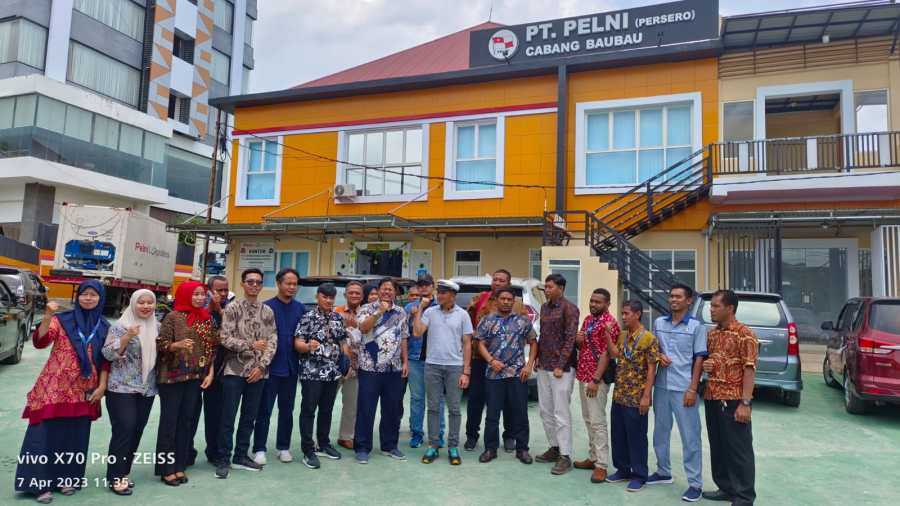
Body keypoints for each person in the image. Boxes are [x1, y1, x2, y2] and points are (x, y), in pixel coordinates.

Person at [15, 281, 110, 504]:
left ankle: (66, 478)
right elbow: (41, 341)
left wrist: (102, 387)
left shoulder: (104, 326)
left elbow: (106, 360)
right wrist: (48, 315)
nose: (88, 298)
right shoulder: (62, 320)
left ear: (100, 298)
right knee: (42, 434)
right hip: (54, 387)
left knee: (74, 436)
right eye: (84, 294)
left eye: (93, 295)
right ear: (78, 296)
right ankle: (38, 484)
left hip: (84, 390)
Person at [215, 269, 277, 479]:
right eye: (250, 281)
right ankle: (223, 459)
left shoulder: (267, 311)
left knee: (249, 417)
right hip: (234, 370)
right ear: (242, 284)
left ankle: (240, 456)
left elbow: (273, 340)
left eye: (258, 282)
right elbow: (224, 338)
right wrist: (250, 344)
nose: (254, 285)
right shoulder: (232, 308)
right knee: (227, 417)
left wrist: (262, 367)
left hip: (258, 372)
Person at [648, 284, 707, 502]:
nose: (673, 300)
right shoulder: (659, 323)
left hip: (684, 389)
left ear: (689, 301)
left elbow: (699, 358)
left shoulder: (696, 327)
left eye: (678, 297)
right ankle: (663, 472)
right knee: (660, 432)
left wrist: (693, 388)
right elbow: (655, 348)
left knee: (690, 436)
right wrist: (659, 355)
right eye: (671, 296)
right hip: (662, 386)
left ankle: (695, 484)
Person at [155, 281, 218, 486]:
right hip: (172, 377)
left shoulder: (206, 318)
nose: (200, 298)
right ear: (185, 295)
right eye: (195, 294)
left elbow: (212, 347)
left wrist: (210, 372)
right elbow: (161, 344)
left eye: (202, 294)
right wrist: (176, 345)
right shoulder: (173, 317)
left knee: (186, 422)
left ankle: (180, 465)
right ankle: (166, 469)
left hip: (195, 377)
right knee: (170, 422)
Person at [701, 290, 758, 505]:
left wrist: (745, 403)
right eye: (711, 306)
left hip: (734, 400)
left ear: (730, 308)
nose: (711, 310)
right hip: (712, 396)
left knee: (739, 450)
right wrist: (708, 365)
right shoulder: (713, 334)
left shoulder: (745, 334)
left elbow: (749, 369)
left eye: (716, 306)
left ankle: (744, 497)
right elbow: (714, 361)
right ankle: (726, 488)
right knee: (718, 446)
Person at [102, 289, 159, 495]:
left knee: (137, 430)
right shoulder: (120, 326)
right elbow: (107, 354)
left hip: (146, 388)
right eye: (141, 302)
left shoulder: (157, 327)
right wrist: (127, 336)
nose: (146, 306)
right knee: (124, 429)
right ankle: (115, 476)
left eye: (150, 302)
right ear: (133, 304)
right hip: (121, 387)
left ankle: (124, 472)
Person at [474, 287, 537, 465]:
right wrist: (491, 360)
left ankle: (522, 449)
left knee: (520, 413)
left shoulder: (522, 321)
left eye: (510, 299)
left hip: (517, 374)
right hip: (494, 374)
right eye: (503, 298)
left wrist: (529, 366)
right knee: (492, 414)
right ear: (496, 300)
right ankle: (490, 449)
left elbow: (533, 342)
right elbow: (479, 343)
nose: (506, 302)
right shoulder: (487, 320)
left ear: (513, 301)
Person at [412, 279, 472, 465]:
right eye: (438, 292)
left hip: (455, 367)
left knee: (454, 408)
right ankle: (433, 445)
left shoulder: (463, 315)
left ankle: (453, 446)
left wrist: (466, 371)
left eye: (443, 293)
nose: (439, 296)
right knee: (433, 407)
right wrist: (420, 309)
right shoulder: (430, 312)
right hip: (432, 365)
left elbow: (467, 343)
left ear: (453, 295)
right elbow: (417, 333)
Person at [252, 268, 306, 465]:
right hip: (269, 368)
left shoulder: (301, 309)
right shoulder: (266, 307)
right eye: (288, 283)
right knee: (264, 410)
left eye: (294, 284)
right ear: (278, 283)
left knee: (287, 410)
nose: (291, 287)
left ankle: (283, 447)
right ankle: (259, 449)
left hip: (291, 368)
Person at [465, 269, 523, 452]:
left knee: (507, 402)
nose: (497, 283)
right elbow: (469, 327)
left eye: (501, 280)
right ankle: (472, 436)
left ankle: (509, 436)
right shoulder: (479, 299)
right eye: (495, 279)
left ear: (509, 284)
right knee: (476, 399)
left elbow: (524, 332)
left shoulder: (517, 305)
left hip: (505, 363)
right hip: (480, 358)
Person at [294, 283, 350, 469]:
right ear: (317, 297)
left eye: (331, 297)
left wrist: (346, 363)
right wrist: (307, 346)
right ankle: (308, 450)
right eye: (325, 297)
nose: (328, 300)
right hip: (312, 372)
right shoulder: (307, 317)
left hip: (332, 373)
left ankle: (323, 444)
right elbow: (298, 343)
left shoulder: (337, 317)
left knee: (327, 409)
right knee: (309, 410)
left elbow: (343, 342)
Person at [354, 278, 409, 464]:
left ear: (395, 292)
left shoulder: (401, 312)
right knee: (366, 409)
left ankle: (390, 446)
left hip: (394, 368)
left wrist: (405, 362)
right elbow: (363, 328)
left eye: (390, 289)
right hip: (370, 367)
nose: (387, 292)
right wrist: (380, 312)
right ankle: (362, 448)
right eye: (384, 289)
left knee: (392, 409)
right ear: (378, 291)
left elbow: (403, 337)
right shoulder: (366, 308)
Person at [606, 300, 659, 493]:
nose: (623, 317)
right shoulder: (623, 335)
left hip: (636, 397)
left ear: (637, 314)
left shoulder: (649, 339)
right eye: (622, 313)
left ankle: (639, 475)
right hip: (620, 394)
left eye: (627, 313)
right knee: (618, 434)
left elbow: (652, 369)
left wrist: (646, 396)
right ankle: (623, 469)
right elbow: (615, 354)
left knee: (636, 437)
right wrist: (607, 336)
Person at [573, 288, 620, 484]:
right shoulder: (588, 320)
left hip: (596, 379)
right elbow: (583, 346)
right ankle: (593, 457)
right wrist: (578, 341)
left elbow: (607, 354)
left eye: (598, 302)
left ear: (607, 304)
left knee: (597, 421)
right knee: (588, 419)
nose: (593, 304)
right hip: (583, 374)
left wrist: (595, 379)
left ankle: (601, 465)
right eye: (592, 301)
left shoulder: (610, 324)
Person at [534, 273, 579, 476]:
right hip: (544, 365)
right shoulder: (544, 307)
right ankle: (554, 447)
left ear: (561, 288)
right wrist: (537, 358)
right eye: (546, 287)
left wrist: (560, 364)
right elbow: (543, 335)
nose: (547, 290)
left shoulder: (570, 308)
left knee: (561, 412)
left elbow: (570, 339)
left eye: (550, 287)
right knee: (545, 410)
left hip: (562, 369)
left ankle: (565, 455)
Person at [189, 275, 231, 465]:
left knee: (216, 414)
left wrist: (220, 310)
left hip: (220, 370)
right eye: (218, 290)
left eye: (225, 290)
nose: (222, 293)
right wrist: (210, 309)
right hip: (195, 370)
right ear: (209, 291)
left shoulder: (230, 309)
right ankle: (186, 452)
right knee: (190, 413)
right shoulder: (198, 308)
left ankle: (214, 452)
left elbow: (231, 333)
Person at [404, 274, 444, 448]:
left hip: (436, 359)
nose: (424, 288)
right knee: (417, 398)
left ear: (432, 286)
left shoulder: (441, 306)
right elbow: (404, 332)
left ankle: (438, 435)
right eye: (420, 285)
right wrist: (413, 315)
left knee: (437, 399)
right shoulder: (410, 307)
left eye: (427, 284)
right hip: (415, 359)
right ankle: (416, 433)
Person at [335, 281, 365, 450]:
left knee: (351, 404)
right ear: (345, 294)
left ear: (362, 296)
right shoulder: (336, 312)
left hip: (356, 366)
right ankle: (319, 438)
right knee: (325, 403)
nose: (354, 295)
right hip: (335, 365)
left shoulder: (367, 313)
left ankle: (345, 437)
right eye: (351, 292)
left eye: (357, 293)